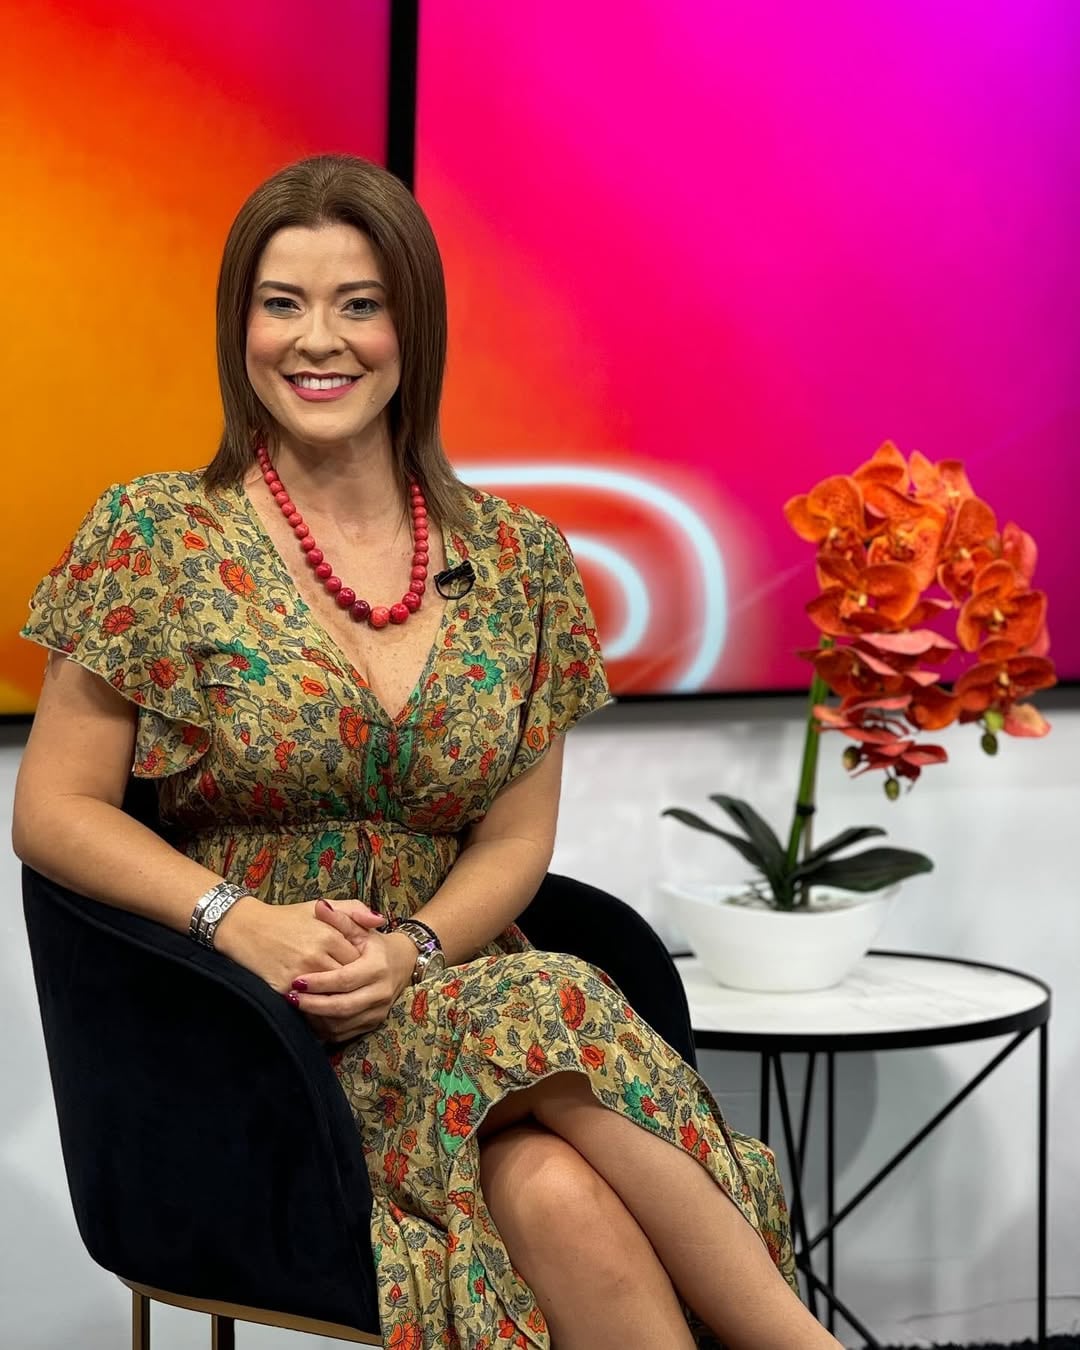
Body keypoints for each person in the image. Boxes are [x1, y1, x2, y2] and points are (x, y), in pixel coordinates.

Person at [13, 155, 841, 1350]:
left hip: (458, 995)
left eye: (360, 304)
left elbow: (516, 838)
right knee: (552, 999)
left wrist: (414, 950)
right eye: (282, 303)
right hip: (254, 1034)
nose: (319, 340)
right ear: (240, 326)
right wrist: (240, 923)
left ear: (414, 327)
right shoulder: (156, 533)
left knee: (554, 1186)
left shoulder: (519, 558)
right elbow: (54, 812)